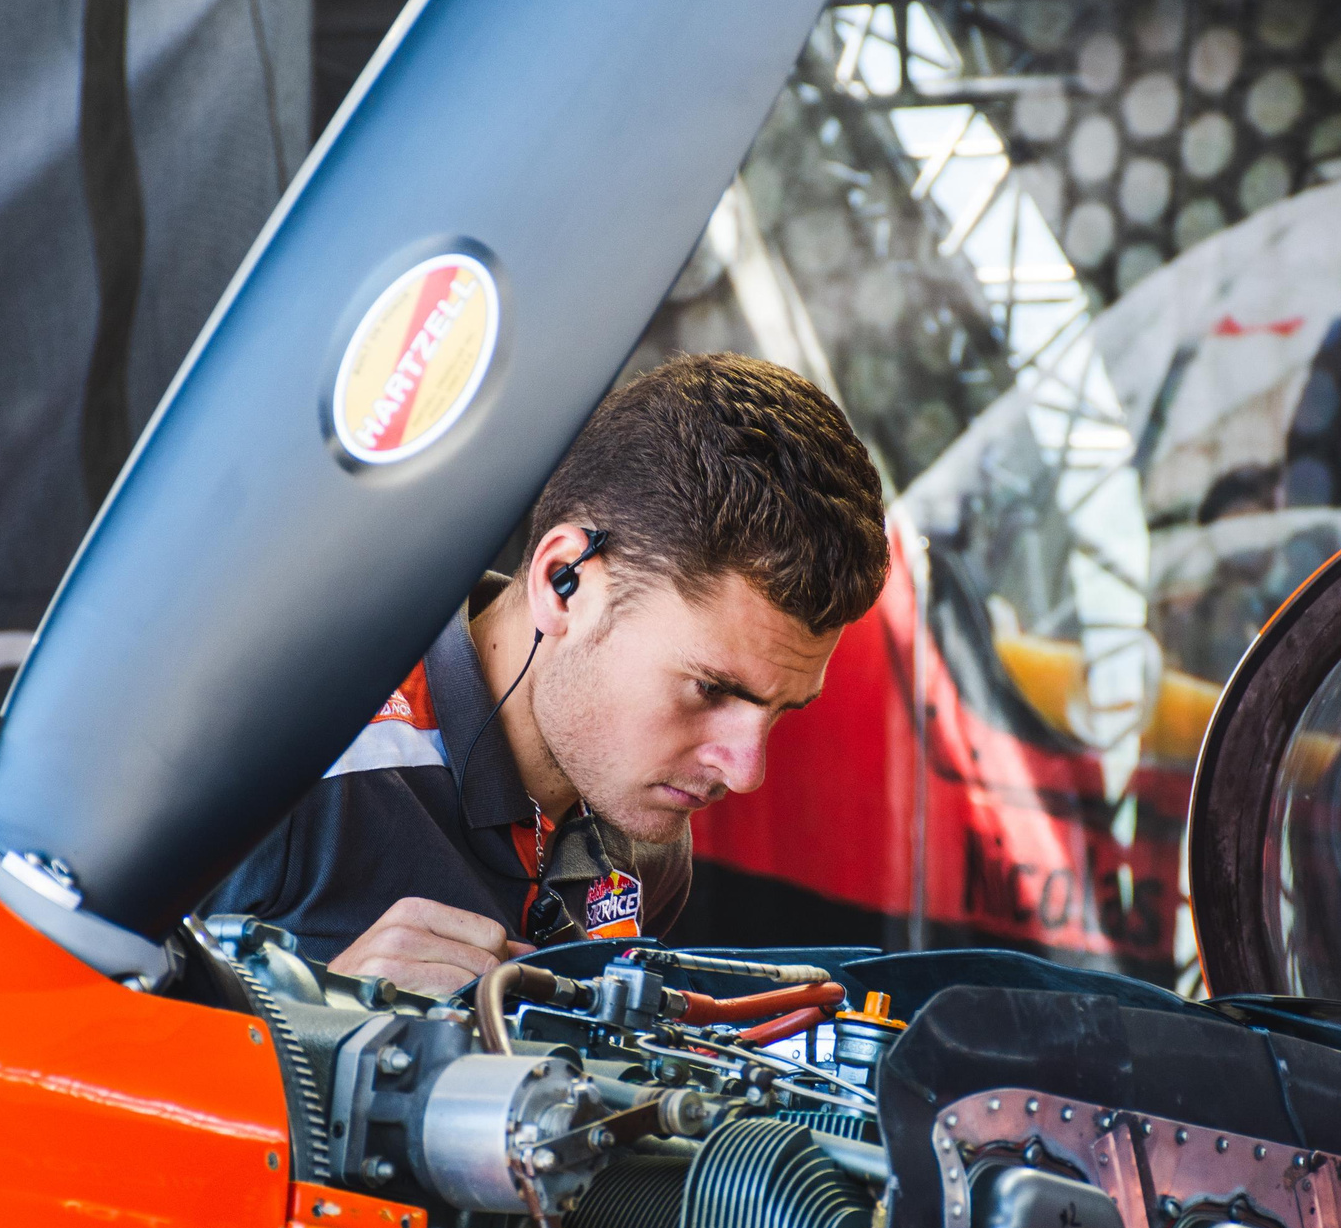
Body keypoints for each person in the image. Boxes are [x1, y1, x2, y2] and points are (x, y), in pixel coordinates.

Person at [205, 352, 890, 995]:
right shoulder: (294, 745)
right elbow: (100, 1039)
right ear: (563, 582)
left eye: (780, 711)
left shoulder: (648, 849)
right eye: (709, 689)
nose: (743, 771)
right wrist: (313, 1018)